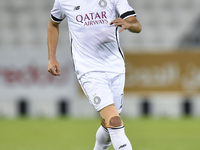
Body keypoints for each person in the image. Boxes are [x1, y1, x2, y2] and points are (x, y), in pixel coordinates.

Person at [47, 0, 142, 149]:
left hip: (115, 68)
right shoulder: (64, 2)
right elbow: (53, 24)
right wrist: (52, 57)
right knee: (115, 121)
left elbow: (137, 25)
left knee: (108, 124)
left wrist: (129, 24)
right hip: (88, 69)